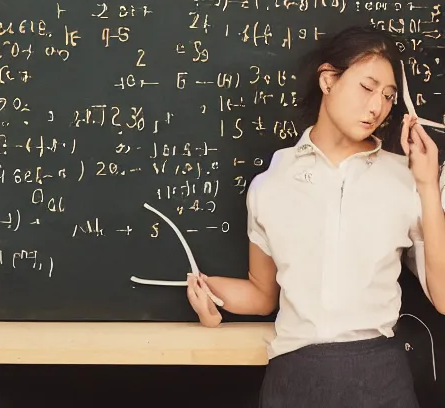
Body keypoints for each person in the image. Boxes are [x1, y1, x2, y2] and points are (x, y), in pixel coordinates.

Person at [186, 25, 445, 407]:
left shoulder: (405, 177)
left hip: (380, 377)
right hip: (294, 377)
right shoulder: (272, 182)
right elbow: (262, 294)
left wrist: (426, 185)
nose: (378, 107)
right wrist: (208, 293)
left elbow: (442, 297)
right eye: (367, 87)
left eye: (389, 96)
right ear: (328, 79)